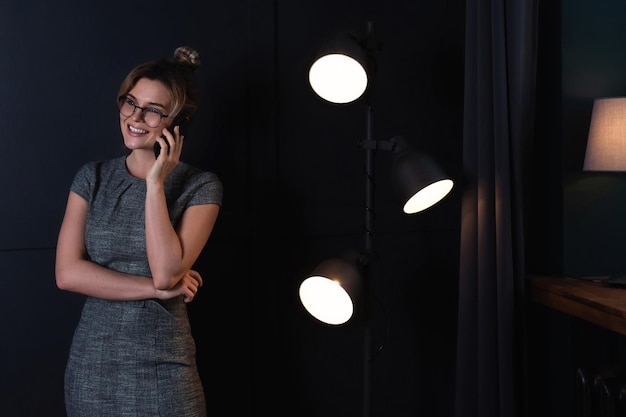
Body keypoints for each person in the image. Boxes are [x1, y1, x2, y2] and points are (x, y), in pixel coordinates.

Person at [55, 46, 222, 417]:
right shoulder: (92, 177)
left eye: (153, 110)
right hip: (92, 368)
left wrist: (154, 185)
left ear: (177, 123)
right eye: (131, 103)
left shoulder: (201, 187)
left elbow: (165, 270)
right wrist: (157, 289)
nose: (135, 117)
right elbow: (67, 274)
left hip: (163, 369)